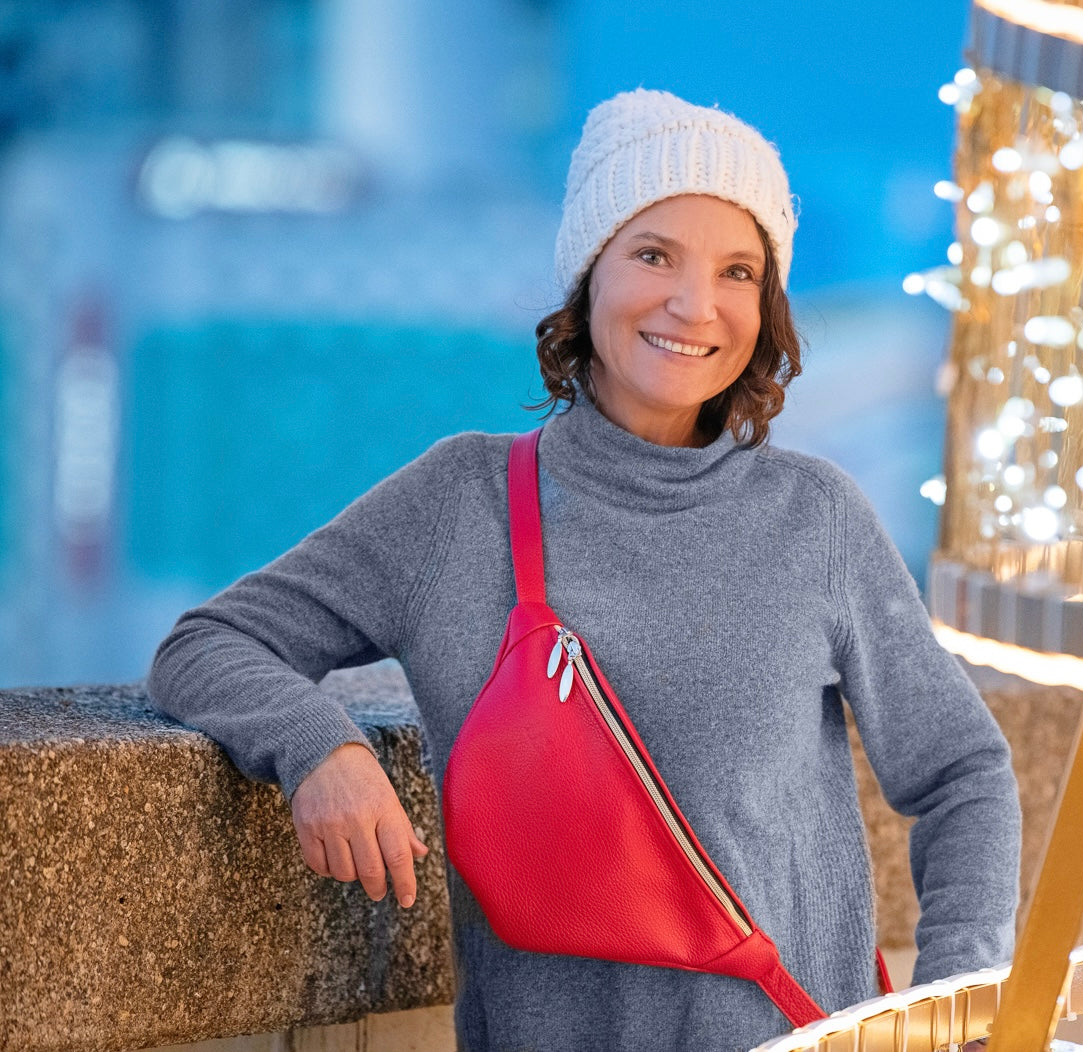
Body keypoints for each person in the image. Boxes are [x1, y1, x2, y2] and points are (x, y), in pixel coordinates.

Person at [148, 88, 1021, 1052]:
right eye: (654, 255)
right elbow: (211, 643)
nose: (696, 305)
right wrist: (321, 747)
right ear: (588, 275)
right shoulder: (459, 505)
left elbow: (961, 771)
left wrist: (960, 1007)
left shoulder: (815, 519)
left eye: (738, 271)